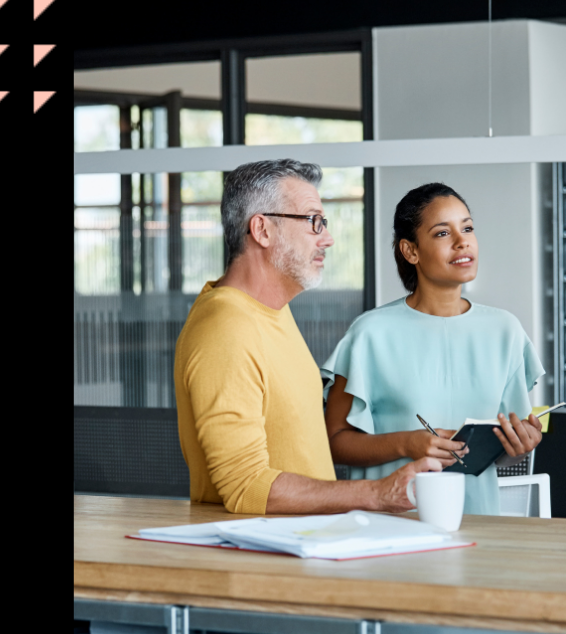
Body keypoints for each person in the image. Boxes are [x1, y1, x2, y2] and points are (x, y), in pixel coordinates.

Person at [173, 159, 442, 515]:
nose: (327, 238)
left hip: (304, 550)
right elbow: (245, 486)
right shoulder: (226, 327)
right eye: (314, 221)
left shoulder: (272, 311)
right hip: (263, 562)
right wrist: (377, 493)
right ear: (263, 230)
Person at [322, 183, 545, 515]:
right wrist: (406, 443)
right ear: (411, 251)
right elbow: (334, 442)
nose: (462, 241)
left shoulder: (506, 330)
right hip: (389, 526)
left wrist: (520, 446)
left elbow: (505, 449)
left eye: (467, 228)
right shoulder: (370, 333)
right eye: (443, 233)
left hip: (476, 522)